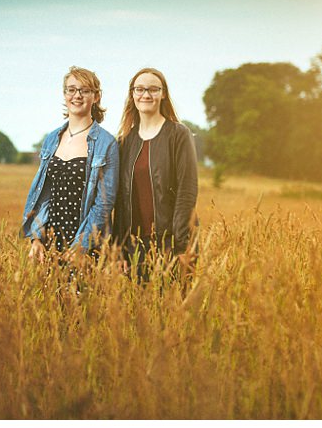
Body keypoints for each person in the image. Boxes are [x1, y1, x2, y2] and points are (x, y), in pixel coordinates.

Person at [22, 66, 119, 263]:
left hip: (85, 241)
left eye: (85, 90)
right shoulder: (51, 139)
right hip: (50, 241)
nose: (77, 95)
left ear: (96, 97)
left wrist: (81, 246)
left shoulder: (106, 143)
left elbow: (104, 203)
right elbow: (44, 194)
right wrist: (36, 238)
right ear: (64, 94)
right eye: (71, 89)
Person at [112, 67, 199, 279]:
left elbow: (187, 192)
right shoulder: (124, 142)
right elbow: (120, 201)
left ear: (163, 94)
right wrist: (118, 248)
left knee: (173, 310)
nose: (146, 95)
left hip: (172, 245)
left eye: (153, 89)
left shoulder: (179, 134)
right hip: (133, 248)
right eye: (140, 89)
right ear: (132, 95)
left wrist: (181, 246)